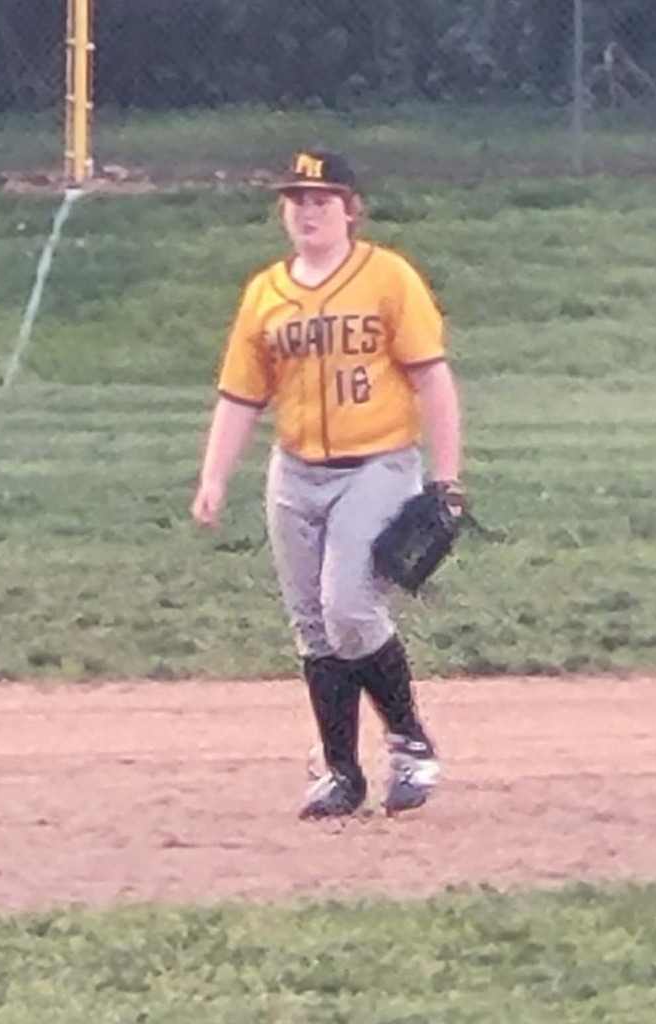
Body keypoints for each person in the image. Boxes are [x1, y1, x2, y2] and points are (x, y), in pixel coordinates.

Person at [190, 147, 465, 820]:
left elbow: (432, 375)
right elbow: (240, 396)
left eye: (322, 199)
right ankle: (342, 772)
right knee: (313, 628)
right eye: (297, 200)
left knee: (349, 609)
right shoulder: (266, 292)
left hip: (377, 464)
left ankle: (410, 743)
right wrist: (214, 478)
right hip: (295, 471)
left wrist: (446, 477)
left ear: (351, 209)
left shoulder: (388, 277)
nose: (308, 211)